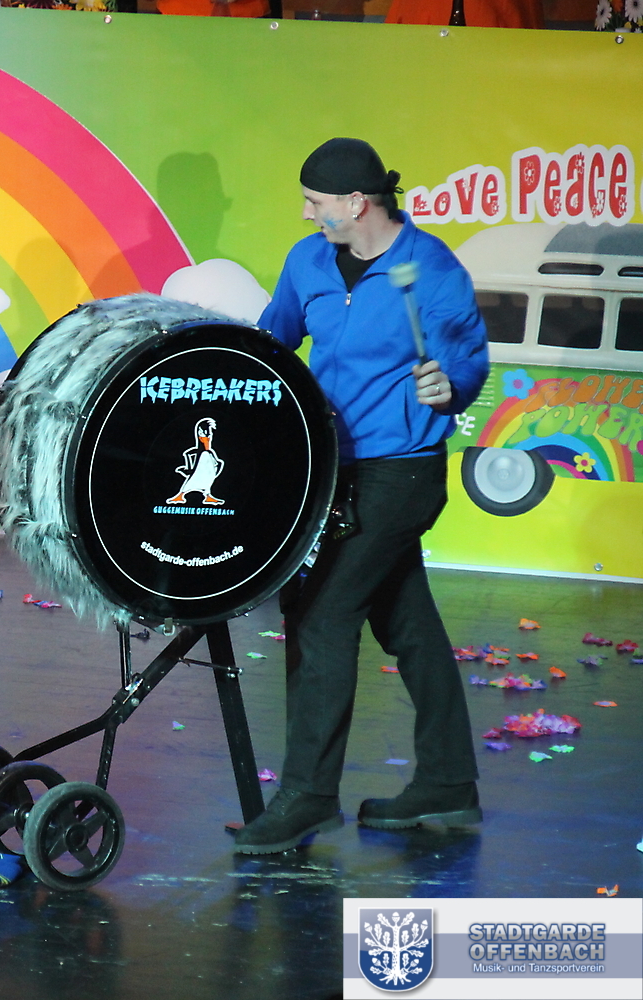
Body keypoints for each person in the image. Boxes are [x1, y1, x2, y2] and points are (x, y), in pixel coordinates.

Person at [235, 137, 489, 854]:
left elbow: (466, 358)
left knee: (322, 616)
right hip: (330, 469)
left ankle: (309, 797)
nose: (305, 212)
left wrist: (450, 385)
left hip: (401, 472)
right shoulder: (307, 261)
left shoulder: (431, 270)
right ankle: (449, 783)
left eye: (314, 202)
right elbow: (275, 341)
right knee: (409, 624)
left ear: (357, 202)